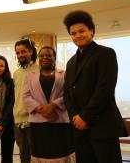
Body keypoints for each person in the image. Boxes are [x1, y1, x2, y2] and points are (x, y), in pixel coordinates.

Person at [63, 10, 128, 163]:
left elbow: (104, 89)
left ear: (91, 31)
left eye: (81, 31)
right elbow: (66, 93)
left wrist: (85, 117)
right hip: (79, 129)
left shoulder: (105, 53)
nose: (78, 35)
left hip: (103, 126)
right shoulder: (71, 62)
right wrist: (75, 117)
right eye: (73, 33)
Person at [23, 46, 75, 162]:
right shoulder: (29, 76)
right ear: (38, 58)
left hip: (60, 120)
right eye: (42, 56)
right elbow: (26, 96)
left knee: (61, 153)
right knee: (41, 154)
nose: (45, 57)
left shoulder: (64, 74)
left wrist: (53, 105)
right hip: (38, 122)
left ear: (54, 58)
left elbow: (69, 94)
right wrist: (42, 109)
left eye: (48, 55)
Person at [13, 39, 39, 163]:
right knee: (23, 155)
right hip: (17, 120)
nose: (20, 55)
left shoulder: (39, 69)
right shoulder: (16, 73)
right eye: (17, 53)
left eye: (23, 51)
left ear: (30, 51)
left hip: (33, 119)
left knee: (36, 154)